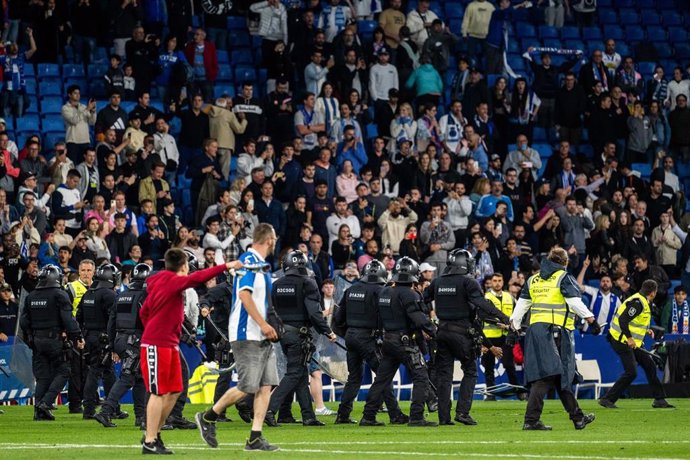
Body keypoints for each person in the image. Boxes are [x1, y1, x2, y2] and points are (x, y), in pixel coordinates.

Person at [139, 248, 241, 454]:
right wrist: (227, 266)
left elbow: (144, 312)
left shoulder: (159, 283)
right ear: (183, 266)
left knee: (175, 389)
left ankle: (155, 434)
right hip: (156, 344)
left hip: (169, 343)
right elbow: (198, 277)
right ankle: (149, 441)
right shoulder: (171, 280)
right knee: (158, 392)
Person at [195, 223, 280, 452]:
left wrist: (270, 324)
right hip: (247, 334)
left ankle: (255, 436)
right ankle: (208, 417)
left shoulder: (262, 266)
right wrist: (263, 325)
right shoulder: (248, 263)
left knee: (265, 385)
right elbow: (244, 295)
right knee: (246, 386)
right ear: (269, 239)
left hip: (262, 334)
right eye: (274, 237)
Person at [510, 247, 599, 430]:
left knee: (560, 376)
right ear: (565, 262)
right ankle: (531, 420)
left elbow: (521, 307)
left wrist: (514, 327)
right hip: (555, 332)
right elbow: (574, 302)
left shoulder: (533, 279)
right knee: (546, 376)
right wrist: (591, 320)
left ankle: (578, 417)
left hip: (536, 332)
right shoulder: (563, 278)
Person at [428, 250, 510, 425]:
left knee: (444, 376)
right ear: (465, 264)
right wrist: (504, 317)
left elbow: (422, 299)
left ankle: (444, 417)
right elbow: (482, 304)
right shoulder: (468, 281)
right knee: (470, 371)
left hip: (441, 331)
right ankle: (463, 412)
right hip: (462, 333)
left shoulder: (438, 281)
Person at [360, 257, 436, 427]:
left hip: (387, 340)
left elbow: (378, 317)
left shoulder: (385, 291)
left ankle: (368, 416)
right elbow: (419, 319)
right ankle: (417, 416)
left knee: (381, 380)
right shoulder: (410, 294)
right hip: (405, 342)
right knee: (421, 376)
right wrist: (434, 332)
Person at [265, 250, 337, 426]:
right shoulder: (308, 283)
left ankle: (305, 416)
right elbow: (314, 313)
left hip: (282, 334)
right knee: (295, 372)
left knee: (300, 373)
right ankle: (269, 409)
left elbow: (270, 311)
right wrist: (328, 331)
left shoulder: (277, 284)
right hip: (300, 334)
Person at [334, 260, 408, 424]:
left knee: (354, 378)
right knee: (383, 376)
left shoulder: (351, 289)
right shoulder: (381, 291)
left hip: (351, 336)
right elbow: (386, 317)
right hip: (368, 338)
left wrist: (347, 334)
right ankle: (394, 414)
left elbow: (338, 318)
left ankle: (343, 415)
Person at [20, 265, 84, 421]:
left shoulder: (31, 296)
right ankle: (46, 403)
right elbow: (68, 320)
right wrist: (77, 336)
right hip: (54, 340)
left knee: (43, 377)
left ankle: (39, 412)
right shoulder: (59, 294)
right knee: (64, 371)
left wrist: (30, 338)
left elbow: (23, 321)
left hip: (36, 340)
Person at [599, 280, 674, 409]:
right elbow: (623, 319)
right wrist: (629, 338)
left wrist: (646, 329)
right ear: (653, 293)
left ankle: (659, 400)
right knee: (631, 372)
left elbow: (634, 321)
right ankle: (607, 399)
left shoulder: (642, 301)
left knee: (649, 365)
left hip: (630, 342)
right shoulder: (638, 303)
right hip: (620, 340)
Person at [94, 264, 151, 429]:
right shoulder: (145, 297)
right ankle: (105, 411)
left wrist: (113, 346)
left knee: (140, 378)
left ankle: (141, 417)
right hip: (136, 341)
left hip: (120, 339)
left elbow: (111, 322)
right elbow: (148, 321)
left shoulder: (121, 295)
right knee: (128, 377)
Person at [76, 264, 120, 420]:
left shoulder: (89, 293)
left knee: (100, 371)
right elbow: (114, 319)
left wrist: (81, 337)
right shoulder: (109, 294)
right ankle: (107, 409)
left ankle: (93, 409)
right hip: (104, 338)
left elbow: (78, 318)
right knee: (100, 372)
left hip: (90, 337)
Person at [481, 272, 520, 400]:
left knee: (509, 364)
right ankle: (491, 395)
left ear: (503, 282)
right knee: (489, 367)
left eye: (499, 280)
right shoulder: (486, 297)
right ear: (491, 283)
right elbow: (484, 316)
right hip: (489, 336)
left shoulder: (510, 297)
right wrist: (501, 322)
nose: (497, 283)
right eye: (495, 281)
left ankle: (519, 392)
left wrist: (510, 328)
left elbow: (516, 315)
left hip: (505, 337)